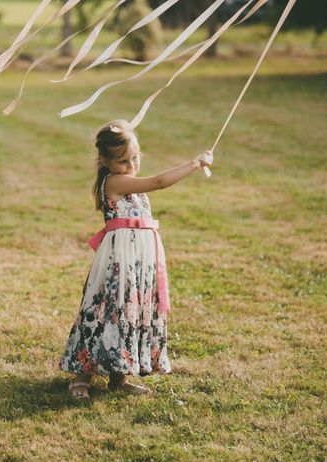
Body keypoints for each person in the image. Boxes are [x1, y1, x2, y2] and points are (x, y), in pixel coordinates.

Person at [59, 118, 214, 399]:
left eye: (135, 158)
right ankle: (82, 375)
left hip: (138, 262)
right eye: (123, 161)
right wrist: (195, 163)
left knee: (129, 313)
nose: (131, 166)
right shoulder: (116, 182)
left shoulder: (129, 180)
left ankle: (119, 375)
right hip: (119, 260)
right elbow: (159, 181)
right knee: (105, 310)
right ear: (105, 162)